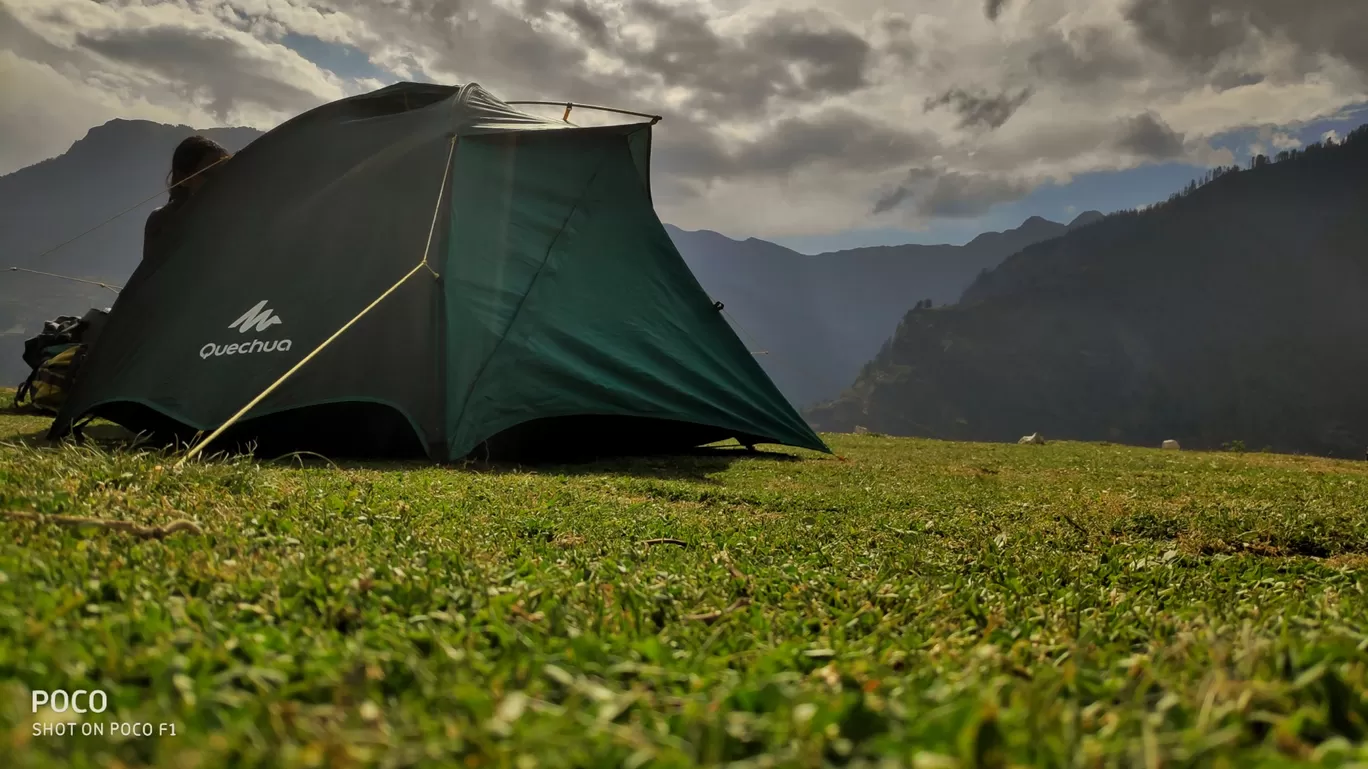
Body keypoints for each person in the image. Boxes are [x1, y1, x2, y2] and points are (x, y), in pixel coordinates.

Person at [142, 135, 232, 261]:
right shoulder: (162, 220)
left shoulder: (233, 215)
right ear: (183, 178)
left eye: (226, 174)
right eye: (212, 175)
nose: (221, 182)